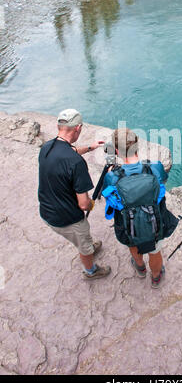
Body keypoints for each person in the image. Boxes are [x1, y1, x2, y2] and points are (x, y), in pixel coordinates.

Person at [38, 108, 111, 280]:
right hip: (67, 218)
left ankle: (88, 245)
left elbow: (67, 154)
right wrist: (92, 204)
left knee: (83, 238)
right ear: (78, 128)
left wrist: (90, 148)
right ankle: (91, 271)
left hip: (47, 210)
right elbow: (84, 204)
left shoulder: (47, 148)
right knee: (83, 243)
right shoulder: (76, 163)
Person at [103, 127, 170, 289]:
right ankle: (155, 277)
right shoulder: (155, 167)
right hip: (154, 221)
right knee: (155, 251)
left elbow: (110, 200)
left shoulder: (112, 176)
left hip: (128, 224)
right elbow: (163, 181)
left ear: (116, 150)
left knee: (133, 244)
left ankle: (140, 268)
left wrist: (112, 170)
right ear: (137, 146)